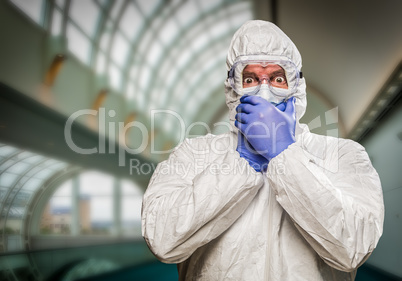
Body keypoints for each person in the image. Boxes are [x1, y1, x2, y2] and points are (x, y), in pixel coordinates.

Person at [141, 20, 384, 280]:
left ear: (297, 86)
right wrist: (242, 164)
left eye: (278, 78)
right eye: (250, 78)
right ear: (232, 88)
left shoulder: (345, 155)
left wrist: (284, 155)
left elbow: (353, 249)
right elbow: (162, 241)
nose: (264, 90)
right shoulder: (193, 154)